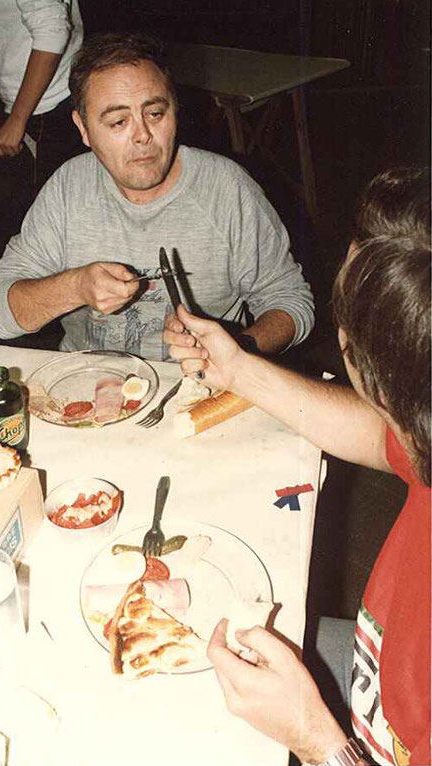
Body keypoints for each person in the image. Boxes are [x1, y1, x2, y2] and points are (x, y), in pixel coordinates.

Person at [167, 166, 431, 766]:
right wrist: (235, 370)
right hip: (375, 685)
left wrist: (315, 737)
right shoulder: (424, 431)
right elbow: (381, 435)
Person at [0, 32, 314, 361]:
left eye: (155, 114)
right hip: (90, 391)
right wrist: (75, 287)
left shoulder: (226, 189)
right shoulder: (69, 188)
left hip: (199, 392)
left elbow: (290, 302)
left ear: (175, 112)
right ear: (83, 129)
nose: (142, 136)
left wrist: (234, 351)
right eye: (118, 121)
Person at [0, 0, 85, 190]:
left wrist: (18, 119)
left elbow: (52, 32)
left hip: (42, 104)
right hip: (39, 100)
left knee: (47, 205)